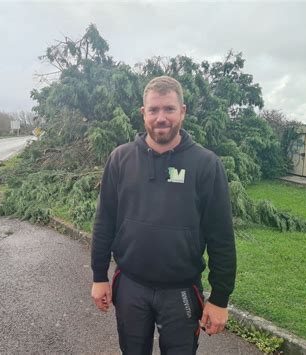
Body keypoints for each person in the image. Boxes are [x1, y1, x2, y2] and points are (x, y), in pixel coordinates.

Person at [90, 76, 237, 354]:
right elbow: (104, 221)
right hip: (130, 286)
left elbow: (221, 237)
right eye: (154, 110)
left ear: (183, 111)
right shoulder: (120, 159)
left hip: (181, 291)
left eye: (169, 109)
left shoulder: (205, 164)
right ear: (143, 113)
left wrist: (220, 299)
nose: (161, 117)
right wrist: (99, 276)